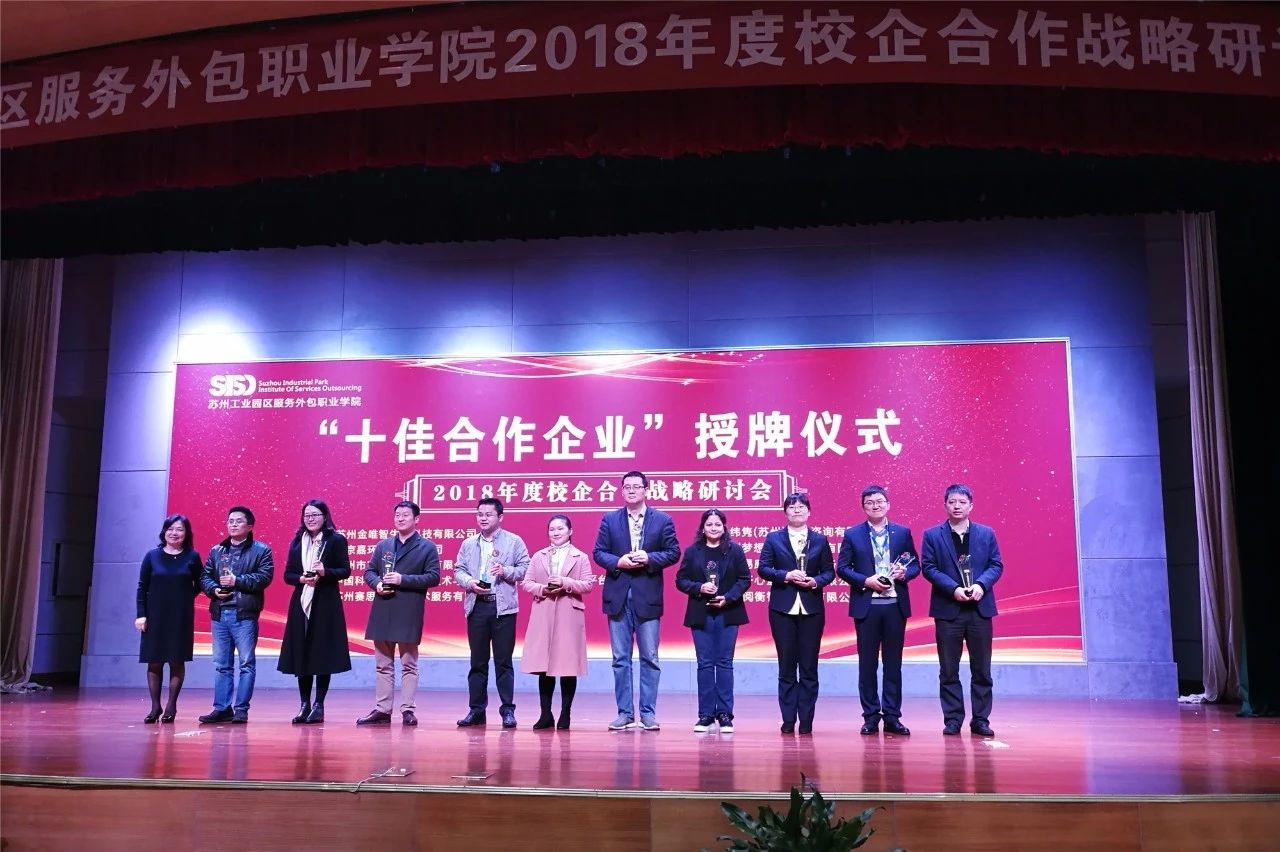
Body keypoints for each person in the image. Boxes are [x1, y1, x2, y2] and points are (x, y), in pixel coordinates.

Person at [593, 470, 680, 731]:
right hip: (618, 597)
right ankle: (624, 713)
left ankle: (648, 713)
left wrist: (650, 558)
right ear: (622, 491)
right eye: (627, 487)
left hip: (648, 597)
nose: (631, 491)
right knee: (620, 659)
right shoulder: (610, 519)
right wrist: (618, 561)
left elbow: (673, 552)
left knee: (650, 658)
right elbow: (598, 553)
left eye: (636, 486)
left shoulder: (662, 519)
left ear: (646, 489)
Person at [836, 485, 920, 736]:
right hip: (867, 606)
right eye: (870, 502)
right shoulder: (853, 534)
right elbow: (842, 568)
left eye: (880, 501)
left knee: (893, 664)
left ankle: (892, 717)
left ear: (888, 504)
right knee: (867, 664)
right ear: (864, 507)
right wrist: (866, 581)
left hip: (895, 606)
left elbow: (915, 565)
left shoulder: (902, 532)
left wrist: (905, 573)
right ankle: (871, 717)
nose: (876, 505)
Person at [921, 483, 1004, 737]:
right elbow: (929, 567)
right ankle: (953, 719)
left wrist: (981, 585)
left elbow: (996, 564)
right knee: (948, 669)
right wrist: (954, 589)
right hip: (948, 609)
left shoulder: (986, 533)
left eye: (962, 502)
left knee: (982, 669)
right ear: (945, 505)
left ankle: (981, 720)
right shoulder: (932, 535)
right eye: (952, 502)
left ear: (971, 505)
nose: (957, 506)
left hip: (979, 609)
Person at [357, 500, 440, 727]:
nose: (400, 519)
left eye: (405, 515)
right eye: (397, 515)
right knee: (382, 664)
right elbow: (369, 572)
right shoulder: (384, 545)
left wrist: (403, 579)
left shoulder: (427, 547)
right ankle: (382, 709)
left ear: (416, 519)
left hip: (408, 610)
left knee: (408, 664)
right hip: (383, 608)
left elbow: (434, 577)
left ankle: (407, 710)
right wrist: (377, 584)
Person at [758, 492, 834, 735]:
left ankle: (807, 720)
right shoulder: (774, 538)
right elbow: (763, 569)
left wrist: (815, 582)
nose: (797, 510)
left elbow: (829, 572)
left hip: (811, 609)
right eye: (792, 507)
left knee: (809, 667)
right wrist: (786, 575)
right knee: (787, 666)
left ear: (809, 512)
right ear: (785, 512)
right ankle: (788, 719)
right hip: (782, 609)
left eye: (801, 506)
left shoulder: (820, 540)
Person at [453, 497, 531, 728]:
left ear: (500, 517)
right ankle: (476, 710)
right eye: (480, 514)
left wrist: (505, 570)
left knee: (503, 662)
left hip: (503, 608)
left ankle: (507, 710)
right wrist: (469, 582)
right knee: (477, 662)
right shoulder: (469, 544)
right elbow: (458, 570)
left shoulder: (514, 541)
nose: (483, 518)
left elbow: (525, 568)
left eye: (488, 514)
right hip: (477, 605)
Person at [674, 509, 750, 734]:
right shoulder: (692, 551)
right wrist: (699, 587)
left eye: (718, 524)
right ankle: (706, 715)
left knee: (725, 662)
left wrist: (728, 597)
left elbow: (744, 579)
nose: (714, 528)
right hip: (701, 612)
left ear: (724, 527)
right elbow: (681, 580)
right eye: (709, 524)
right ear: (703, 527)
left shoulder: (735, 550)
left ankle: (725, 714)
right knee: (705, 663)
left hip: (728, 612)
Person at [277, 499, 352, 725]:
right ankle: (304, 704)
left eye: (315, 515)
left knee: (322, 652)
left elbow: (345, 571)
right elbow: (288, 575)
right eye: (307, 515)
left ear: (324, 517)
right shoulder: (297, 542)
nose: (310, 519)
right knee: (302, 651)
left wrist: (325, 571)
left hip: (325, 602)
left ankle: (319, 705)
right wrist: (301, 579)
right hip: (301, 601)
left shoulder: (336, 540)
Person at [198, 506, 274, 724]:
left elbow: (264, 577)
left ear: (250, 526)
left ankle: (241, 709)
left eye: (238, 521)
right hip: (220, 613)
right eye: (230, 520)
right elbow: (204, 576)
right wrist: (214, 590)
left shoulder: (261, 550)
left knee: (246, 664)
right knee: (221, 664)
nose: (233, 524)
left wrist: (236, 581)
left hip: (245, 615)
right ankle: (222, 708)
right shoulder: (217, 550)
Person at [521, 514, 595, 730]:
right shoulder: (539, 556)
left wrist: (566, 582)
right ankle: (545, 714)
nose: (556, 533)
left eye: (560, 528)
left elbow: (588, 585)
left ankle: (565, 714)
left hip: (568, 612)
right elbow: (527, 583)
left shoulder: (580, 557)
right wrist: (543, 589)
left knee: (567, 666)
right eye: (552, 529)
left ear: (570, 531)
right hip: (543, 611)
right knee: (544, 667)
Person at [135, 514, 202, 723]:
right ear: (164, 532)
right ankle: (155, 706)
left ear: (186, 534)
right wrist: (141, 614)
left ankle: (172, 705)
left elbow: (201, 583)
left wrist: (184, 598)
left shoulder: (192, 556)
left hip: (181, 616)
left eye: (179, 529)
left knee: (176, 661)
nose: (174, 533)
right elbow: (142, 587)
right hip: (154, 616)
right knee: (154, 661)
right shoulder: (152, 556)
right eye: (171, 529)